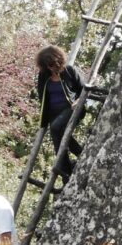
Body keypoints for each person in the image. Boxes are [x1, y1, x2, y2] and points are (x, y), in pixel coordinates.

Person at [34, 45, 86, 182]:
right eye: (47, 65)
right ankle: (66, 176)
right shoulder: (44, 75)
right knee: (58, 145)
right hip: (54, 113)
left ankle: (81, 153)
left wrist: (78, 102)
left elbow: (84, 90)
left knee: (56, 128)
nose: (50, 68)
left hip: (71, 108)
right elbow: (42, 95)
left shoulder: (69, 71)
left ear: (58, 61)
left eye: (52, 64)